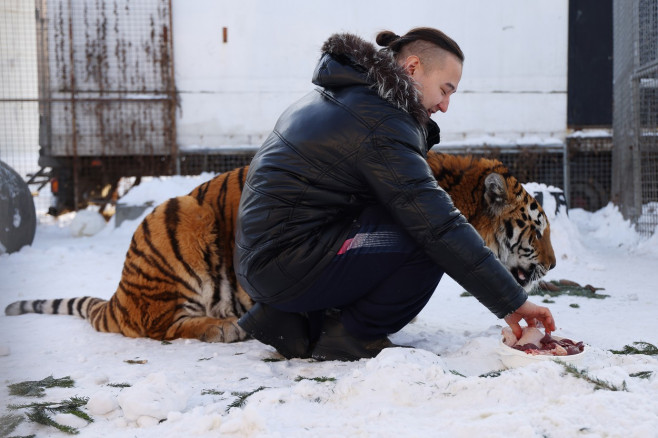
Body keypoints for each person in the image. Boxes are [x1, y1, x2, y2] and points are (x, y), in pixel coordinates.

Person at [234, 27, 555, 361]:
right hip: (283, 263)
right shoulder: (379, 121)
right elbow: (438, 227)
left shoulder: (349, 95)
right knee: (428, 236)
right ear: (413, 68)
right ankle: (351, 334)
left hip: (271, 259)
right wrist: (513, 302)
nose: (445, 106)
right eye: (445, 91)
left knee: (409, 218)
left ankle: (294, 319)